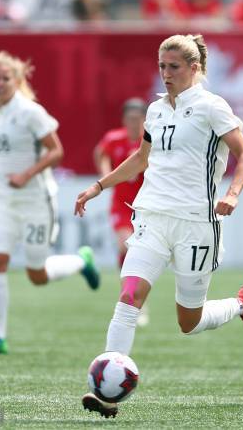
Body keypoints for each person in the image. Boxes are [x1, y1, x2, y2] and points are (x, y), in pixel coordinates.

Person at [76, 34, 243, 417]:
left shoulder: (213, 107)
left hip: (197, 223)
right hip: (152, 217)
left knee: (189, 322)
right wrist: (98, 186)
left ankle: (242, 303)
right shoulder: (156, 110)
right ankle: (107, 394)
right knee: (128, 297)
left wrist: (233, 193)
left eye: (174, 67)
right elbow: (140, 159)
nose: (165, 74)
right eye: (161, 66)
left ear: (194, 68)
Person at [0, 51, 100, 355]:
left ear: (16, 80)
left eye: (5, 78)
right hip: (3, 195)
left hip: (35, 198)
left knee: (36, 275)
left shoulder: (30, 112)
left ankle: (82, 261)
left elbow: (56, 151)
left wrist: (26, 174)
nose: (0, 84)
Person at [94, 97, 150, 327]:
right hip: (121, 206)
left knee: (141, 254)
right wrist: (107, 175)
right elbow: (100, 152)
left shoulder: (150, 142)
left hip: (146, 206)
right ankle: (129, 299)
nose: (133, 123)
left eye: (138, 119)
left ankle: (137, 299)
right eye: (130, 119)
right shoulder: (114, 139)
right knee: (125, 245)